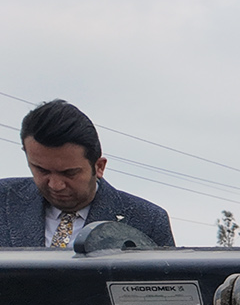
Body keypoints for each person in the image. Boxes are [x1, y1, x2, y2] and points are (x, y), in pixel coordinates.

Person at [2, 100, 174, 248]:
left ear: (99, 167)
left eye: (69, 173)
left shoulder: (147, 222)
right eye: (41, 170)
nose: (55, 185)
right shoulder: (4, 200)